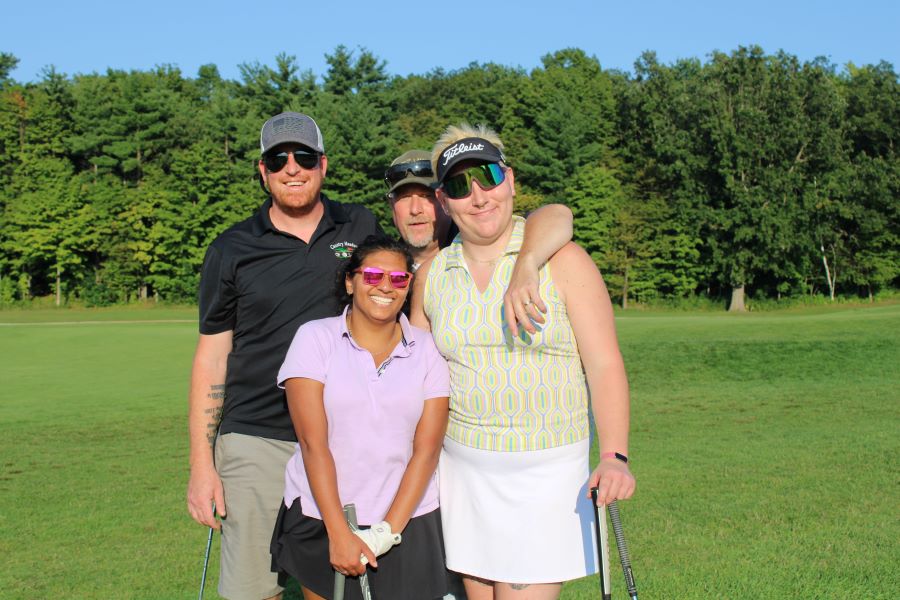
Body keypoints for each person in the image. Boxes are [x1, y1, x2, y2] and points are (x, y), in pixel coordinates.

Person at [411, 124, 636, 600]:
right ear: (443, 201)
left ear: (509, 180)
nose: (478, 197)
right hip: (462, 471)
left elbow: (604, 364)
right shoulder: (432, 274)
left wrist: (615, 455)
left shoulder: (563, 259)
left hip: (543, 472)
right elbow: (419, 380)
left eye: (488, 177)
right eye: (458, 186)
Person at [186, 112, 382, 600]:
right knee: (254, 589)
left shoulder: (361, 226)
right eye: (278, 159)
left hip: (343, 437)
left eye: (304, 157)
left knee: (345, 581)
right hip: (257, 437)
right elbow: (212, 356)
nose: (291, 168)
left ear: (323, 165)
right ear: (262, 170)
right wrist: (201, 464)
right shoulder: (231, 248)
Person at [271, 235, 450, 600]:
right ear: (350, 281)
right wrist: (339, 534)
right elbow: (312, 444)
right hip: (323, 516)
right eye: (372, 275)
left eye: (399, 279)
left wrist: (384, 532)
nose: (385, 286)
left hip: (406, 518)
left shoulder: (429, 350)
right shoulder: (314, 338)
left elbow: (426, 452)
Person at [384, 149, 574, 338]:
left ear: (445, 200)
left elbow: (556, 214)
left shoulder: (477, 244)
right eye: (404, 197)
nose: (415, 209)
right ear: (391, 205)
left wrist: (527, 262)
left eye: (427, 197)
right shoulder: (379, 263)